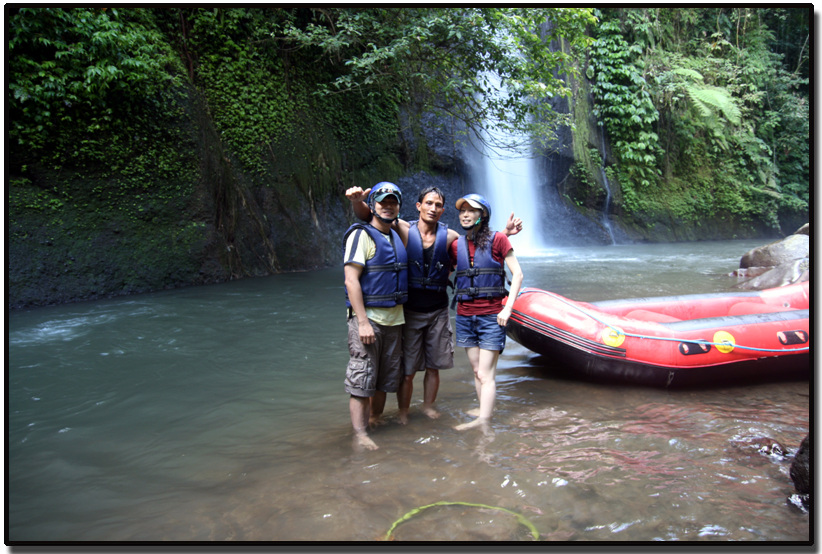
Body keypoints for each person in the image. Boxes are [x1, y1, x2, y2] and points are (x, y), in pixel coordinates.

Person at [346, 185, 523, 424]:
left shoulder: (449, 236)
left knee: (434, 366)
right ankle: (403, 412)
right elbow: (373, 215)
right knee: (406, 370)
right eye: (428, 203)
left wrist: (503, 234)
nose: (433, 208)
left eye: (438, 205)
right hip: (409, 310)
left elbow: (477, 249)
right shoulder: (402, 229)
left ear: (443, 211)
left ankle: (428, 406)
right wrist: (357, 201)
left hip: (439, 309)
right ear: (418, 206)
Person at [449, 193, 524, 431]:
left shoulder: (499, 239)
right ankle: (484, 408)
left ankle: (483, 422)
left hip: (492, 316)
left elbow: (518, 274)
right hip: (464, 315)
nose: (466, 214)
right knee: (476, 370)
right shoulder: (455, 245)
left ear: (483, 215)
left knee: (484, 373)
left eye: (471, 210)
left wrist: (507, 309)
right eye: (462, 211)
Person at [342, 182, 407, 450]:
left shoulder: (396, 234)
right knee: (362, 378)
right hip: (369, 320)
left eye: (393, 202)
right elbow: (351, 280)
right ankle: (360, 434)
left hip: (395, 320)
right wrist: (363, 323)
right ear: (374, 205)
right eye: (382, 201)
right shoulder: (362, 235)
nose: (388, 206)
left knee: (383, 378)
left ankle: (375, 419)